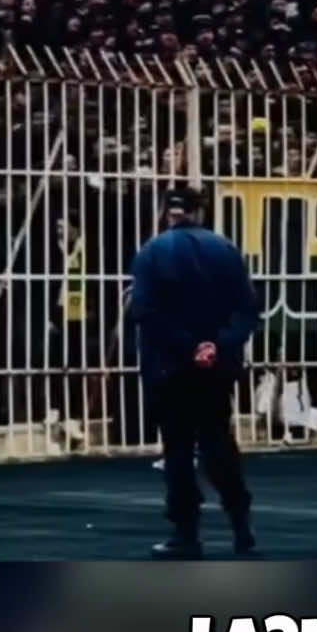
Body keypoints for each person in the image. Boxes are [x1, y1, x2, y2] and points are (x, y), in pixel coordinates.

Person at [129, 188, 261, 558]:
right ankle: (241, 525)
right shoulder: (225, 249)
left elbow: (145, 311)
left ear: (166, 212)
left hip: (171, 365)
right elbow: (247, 310)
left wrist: (188, 347)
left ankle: (186, 534)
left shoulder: (153, 251)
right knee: (219, 442)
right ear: (199, 212)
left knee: (178, 451)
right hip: (217, 365)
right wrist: (216, 345)